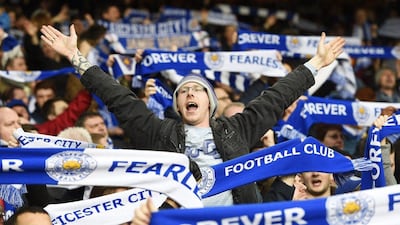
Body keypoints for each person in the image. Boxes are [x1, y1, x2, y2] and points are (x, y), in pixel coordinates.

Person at [40, 24, 345, 206]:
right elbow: (117, 97)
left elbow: (277, 97)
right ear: (177, 104)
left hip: (235, 219)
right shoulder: (159, 132)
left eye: (197, 90)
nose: (189, 94)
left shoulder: (237, 129)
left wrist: (316, 63)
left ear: (210, 102)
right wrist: (77, 59)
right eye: (183, 91)